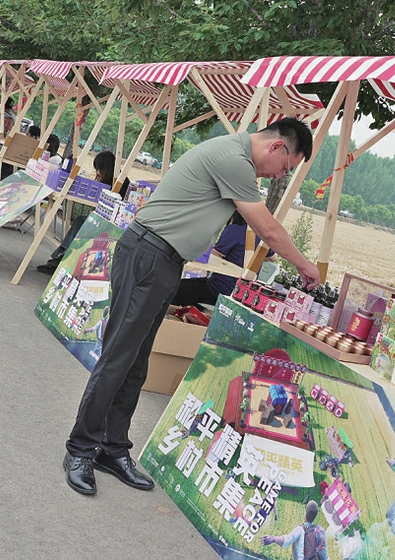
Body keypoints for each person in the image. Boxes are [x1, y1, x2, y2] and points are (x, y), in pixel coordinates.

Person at [63, 117, 320, 496]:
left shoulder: (233, 155)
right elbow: (269, 230)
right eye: (284, 168)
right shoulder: (236, 159)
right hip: (149, 254)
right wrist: (305, 266)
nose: (278, 176)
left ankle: (113, 448)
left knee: (135, 365)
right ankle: (80, 449)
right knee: (118, 358)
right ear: (277, 147)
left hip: (163, 260)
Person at [37, 149, 126, 276]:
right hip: (101, 219)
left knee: (81, 220)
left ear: (106, 168)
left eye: (99, 169)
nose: (97, 172)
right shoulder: (108, 180)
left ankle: (62, 255)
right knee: (81, 219)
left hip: (110, 226)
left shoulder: (120, 183)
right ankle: (62, 254)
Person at [169, 210, 274, 308]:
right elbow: (273, 258)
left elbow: (215, 256)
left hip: (221, 288)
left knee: (175, 290)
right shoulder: (261, 235)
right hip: (245, 294)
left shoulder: (234, 230)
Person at [261, 500, 328, 560]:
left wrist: (273, 539)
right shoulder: (320, 532)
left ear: (305, 513)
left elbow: (287, 540)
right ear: (315, 516)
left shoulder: (300, 529)